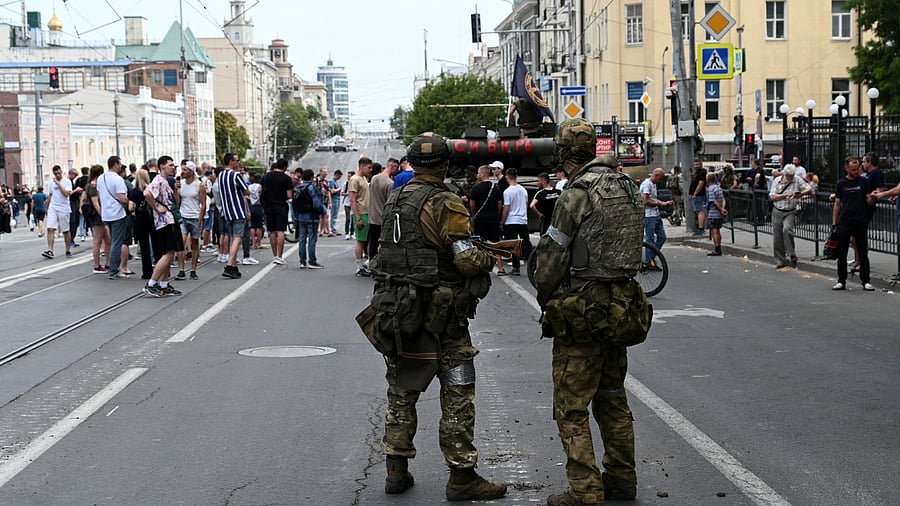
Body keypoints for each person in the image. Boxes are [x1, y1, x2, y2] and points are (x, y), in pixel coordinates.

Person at [367, 132, 506, 502]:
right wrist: (488, 256)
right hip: (441, 317)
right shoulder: (446, 202)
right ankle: (462, 476)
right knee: (458, 389)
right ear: (445, 164)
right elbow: (465, 259)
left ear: (412, 162)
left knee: (402, 389)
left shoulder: (398, 197)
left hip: (398, 310)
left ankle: (395, 470)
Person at [533, 118, 647, 506]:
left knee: (572, 405)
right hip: (621, 309)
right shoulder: (628, 186)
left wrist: (545, 297)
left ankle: (585, 490)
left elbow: (551, 255)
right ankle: (622, 480)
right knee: (613, 397)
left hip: (582, 311)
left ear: (564, 156)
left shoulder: (576, 193)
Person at [832, 157, 876, 291]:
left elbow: (868, 200)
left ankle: (866, 281)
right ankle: (841, 280)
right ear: (847, 168)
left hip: (860, 221)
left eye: (858, 169)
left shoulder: (864, 182)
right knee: (842, 252)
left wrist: (872, 198)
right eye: (853, 170)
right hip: (845, 221)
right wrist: (835, 223)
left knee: (863, 252)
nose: (856, 172)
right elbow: (837, 203)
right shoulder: (841, 183)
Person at [142, 155, 182, 297]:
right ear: (162, 166)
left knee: (170, 253)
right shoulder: (158, 180)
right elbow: (147, 193)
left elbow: (176, 202)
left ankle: (164, 285)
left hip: (169, 220)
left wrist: (176, 189)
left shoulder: (167, 182)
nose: (173, 168)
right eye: (170, 165)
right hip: (164, 222)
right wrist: (156, 208)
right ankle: (151, 283)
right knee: (168, 253)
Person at [769, 165, 812, 268]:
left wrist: (800, 194)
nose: (790, 178)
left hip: (790, 210)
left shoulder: (797, 179)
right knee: (777, 237)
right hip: (777, 210)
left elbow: (809, 188)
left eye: (791, 176)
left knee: (787, 229)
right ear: (784, 174)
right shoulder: (777, 181)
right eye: (788, 176)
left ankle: (791, 252)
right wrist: (785, 195)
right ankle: (780, 260)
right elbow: (772, 196)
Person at [97, 156, 131, 279]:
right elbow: (122, 197)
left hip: (106, 214)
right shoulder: (118, 179)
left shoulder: (101, 178)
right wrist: (129, 204)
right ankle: (114, 270)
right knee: (117, 242)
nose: (121, 166)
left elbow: (100, 197)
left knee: (112, 242)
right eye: (120, 164)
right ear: (116, 164)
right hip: (117, 214)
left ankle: (112, 267)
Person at [219, 153, 251, 279]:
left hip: (227, 211)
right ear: (231, 162)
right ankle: (229, 265)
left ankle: (233, 265)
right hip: (238, 210)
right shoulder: (235, 175)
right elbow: (246, 190)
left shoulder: (220, 175)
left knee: (233, 238)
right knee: (237, 238)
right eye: (237, 160)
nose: (238, 163)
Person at [469, 164, 506, 275]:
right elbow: (500, 205)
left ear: (482, 174)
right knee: (496, 244)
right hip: (493, 220)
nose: (477, 175)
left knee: (480, 244)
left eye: (478, 173)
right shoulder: (496, 188)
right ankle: (500, 268)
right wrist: (497, 216)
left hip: (480, 220)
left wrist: (475, 214)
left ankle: (481, 267)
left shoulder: (476, 188)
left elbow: (472, 205)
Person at [174, 161, 206, 280]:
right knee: (181, 241)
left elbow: (203, 203)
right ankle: (181, 269)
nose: (182, 172)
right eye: (182, 170)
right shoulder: (180, 184)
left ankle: (193, 269)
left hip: (195, 216)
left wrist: (200, 218)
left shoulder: (199, 185)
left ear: (191, 171)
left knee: (194, 243)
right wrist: (176, 190)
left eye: (185, 170)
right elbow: (177, 201)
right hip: (183, 216)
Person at [500, 168, 532, 276]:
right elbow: (526, 204)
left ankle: (516, 267)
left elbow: (506, 208)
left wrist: (502, 221)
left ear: (507, 177)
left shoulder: (507, 192)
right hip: (522, 220)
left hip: (511, 221)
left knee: (513, 246)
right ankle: (533, 262)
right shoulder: (523, 190)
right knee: (526, 243)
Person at [261, 158, 293, 265]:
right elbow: (289, 196)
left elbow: (260, 190)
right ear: (284, 167)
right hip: (281, 206)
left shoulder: (266, 177)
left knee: (272, 231)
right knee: (280, 231)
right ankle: (280, 256)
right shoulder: (286, 178)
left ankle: (274, 255)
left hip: (268, 206)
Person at [294, 169, 327, 269]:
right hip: (311, 217)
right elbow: (317, 203)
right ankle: (312, 261)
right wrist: (322, 211)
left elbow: (293, 203)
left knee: (302, 239)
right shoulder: (312, 188)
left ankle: (302, 261)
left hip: (300, 216)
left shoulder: (298, 188)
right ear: (312, 177)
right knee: (312, 239)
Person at [640, 168, 672, 265]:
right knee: (650, 239)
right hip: (649, 215)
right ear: (656, 175)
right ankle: (649, 261)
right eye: (660, 179)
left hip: (656, 214)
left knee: (662, 237)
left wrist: (663, 203)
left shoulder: (653, 184)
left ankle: (651, 257)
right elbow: (646, 201)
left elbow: (653, 199)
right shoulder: (647, 184)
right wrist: (660, 204)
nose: (660, 181)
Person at [42, 165, 74, 259]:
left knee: (65, 230)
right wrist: (47, 208)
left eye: (59, 173)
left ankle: (68, 249)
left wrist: (58, 184)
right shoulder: (51, 183)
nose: (57, 175)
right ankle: (50, 250)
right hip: (53, 206)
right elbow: (50, 195)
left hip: (64, 207)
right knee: (50, 228)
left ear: (61, 172)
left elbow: (66, 194)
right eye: (55, 174)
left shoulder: (67, 182)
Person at [349, 157, 373, 276]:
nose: (370, 170)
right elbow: (352, 199)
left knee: (368, 240)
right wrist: (358, 217)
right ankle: (359, 267)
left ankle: (367, 264)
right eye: (368, 167)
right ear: (362, 166)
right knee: (360, 241)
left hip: (368, 212)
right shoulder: (355, 179)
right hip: (361, 213)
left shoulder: (363, 178)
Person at [367, 161, 393, 263]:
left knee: (372, 241)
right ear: (392, 167)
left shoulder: (374, 178)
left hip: (372, 216)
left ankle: (371, 262)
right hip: (383, 217)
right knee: (383, 242)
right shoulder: (390, 183)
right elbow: (390, 202)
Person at [706, 172, 728, 256]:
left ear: (708, 179)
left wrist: (720, 209)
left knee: (714, 231)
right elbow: (723, 199)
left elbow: (713, 201)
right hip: (719, 214)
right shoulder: (718, 188)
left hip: (713, 213)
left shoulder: (710, 189)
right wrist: (723, 208)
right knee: (717, 230)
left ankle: (717, 249)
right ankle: (718, 247)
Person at [67, 168, 84, 248]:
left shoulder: (72, 182)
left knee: (76, 221)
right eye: (74, 175)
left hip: (75, 202)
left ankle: (72, 239)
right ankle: (70, 240)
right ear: (70, 174)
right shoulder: (67, 182)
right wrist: (76, 190)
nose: (75, 177)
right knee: (72, 222)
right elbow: (68, 193)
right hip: (71, 203)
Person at [689, 159, 707, 235]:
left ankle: (701, 228)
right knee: (698, 211)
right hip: (697, 194)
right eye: (695, 164)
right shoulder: (697, 172)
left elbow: (701, 184)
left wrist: (695, 194)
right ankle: (700, 227)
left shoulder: (702, 173)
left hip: (699, 195)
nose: (696, 166)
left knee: (700, 211)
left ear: (701, 164)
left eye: (697, 164)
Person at [327, 169, 343, 234]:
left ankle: (333, 228)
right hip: (334, 199)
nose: (339, 178)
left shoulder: (335, 181)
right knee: (333, 215)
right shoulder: (331, 181)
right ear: (337, 175)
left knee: (335, 215)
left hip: (337, 199)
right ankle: (332, 228)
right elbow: (332, 191)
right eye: (339, 176)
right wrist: (339, 189)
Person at [342, 170, 355, 239]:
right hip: (347, 202)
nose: (348, 177)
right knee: (348, 218)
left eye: (349, 176)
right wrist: (347, 194)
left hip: (353, 202)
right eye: (348, 176)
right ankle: (347, 233)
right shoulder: (346, 184)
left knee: (353, 218)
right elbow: (342, 193)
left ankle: (352, 233)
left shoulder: (355, 184)